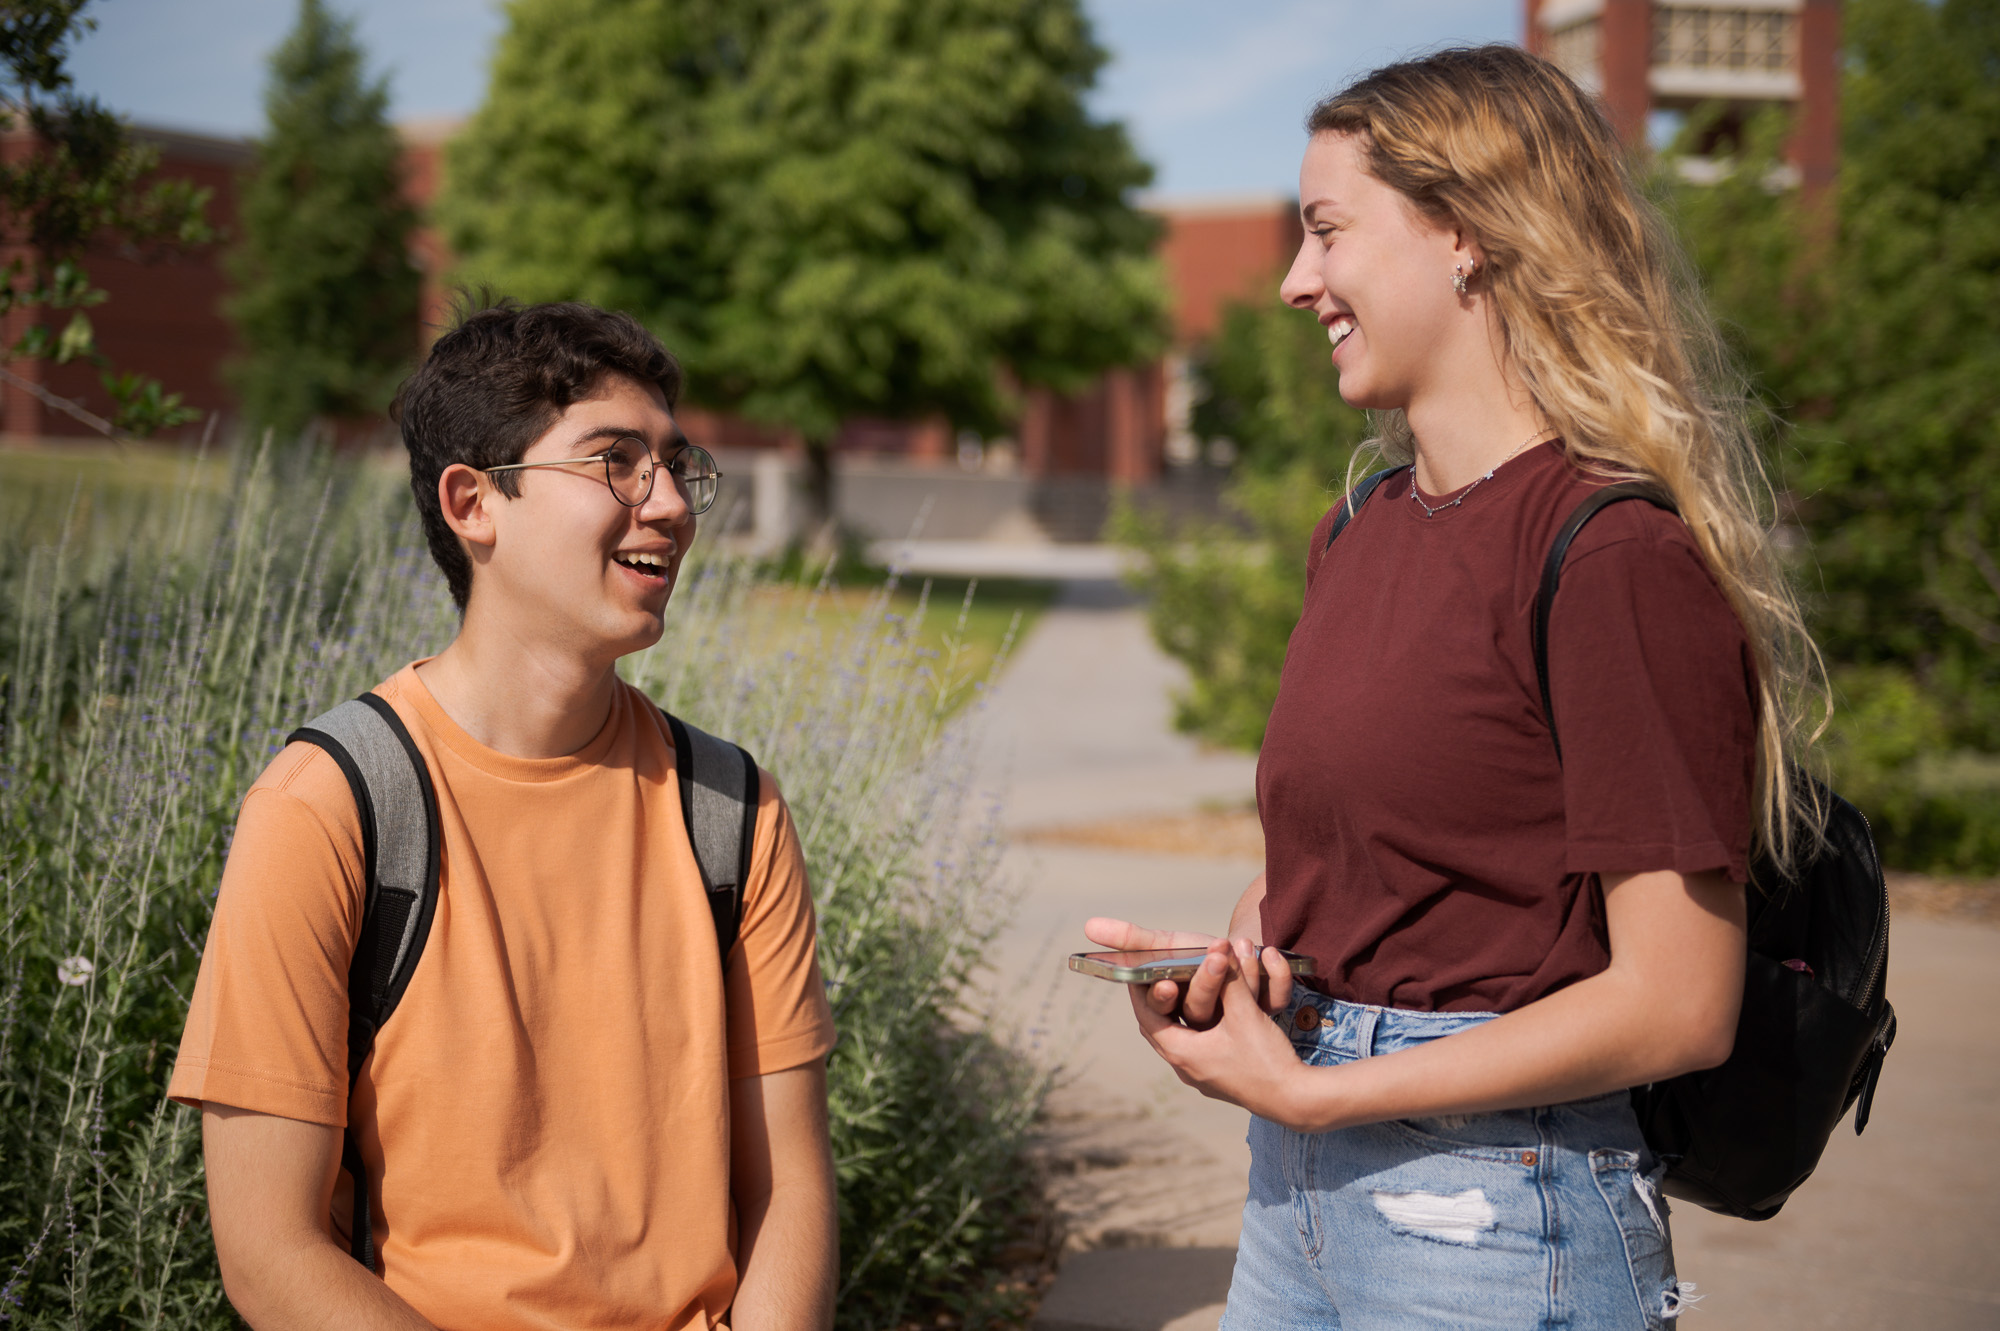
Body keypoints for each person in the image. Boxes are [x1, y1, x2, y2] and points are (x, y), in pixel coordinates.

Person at [1087, 46, 1825, 1331]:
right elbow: (1377, 853)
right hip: (1297, 1197)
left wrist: (1323, 1089)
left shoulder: (1611, 554)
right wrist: (1247, 958)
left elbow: (1677, 1000)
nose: (1292, 280)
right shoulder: (1359, 525)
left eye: (1325, 232)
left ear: (1465, 236)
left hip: (1493, 1212)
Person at [169, 300, 839, 1331]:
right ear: (474, 502)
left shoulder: (730, 806)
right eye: (614, 460)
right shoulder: (332, 805)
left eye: (673, 462)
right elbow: (269, 1251)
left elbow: (786, 1187)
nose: (667, 503)